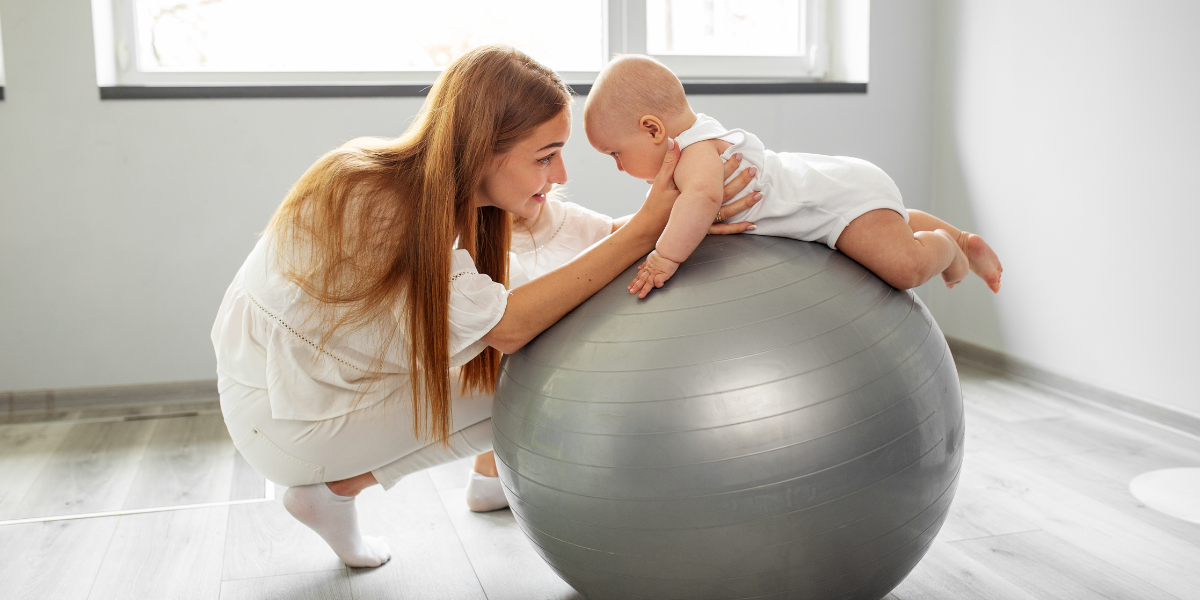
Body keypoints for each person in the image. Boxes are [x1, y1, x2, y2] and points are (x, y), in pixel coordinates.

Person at [210, 45, 759, 568]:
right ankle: (342, 484)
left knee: (543, 293)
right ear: (482, 152)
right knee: (535, 374)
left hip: (323, 389)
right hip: (284, 419)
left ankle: (386, 486)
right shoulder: (375, 201)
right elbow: (513, 328)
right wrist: (646, 233)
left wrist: (687, 215)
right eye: (545, 157)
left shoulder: (466, 192)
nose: (561, 175)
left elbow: (587, 240)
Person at [581, 55, 1004, 299]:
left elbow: (702, 201)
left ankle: (947, 249)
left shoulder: (694, 156)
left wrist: (664, 257)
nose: (618, 166)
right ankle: (966, 240)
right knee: (886, 220)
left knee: (904, 267)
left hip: (835, 205)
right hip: (837, 187)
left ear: (653, 129)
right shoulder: (700, 134)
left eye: (616, 153)